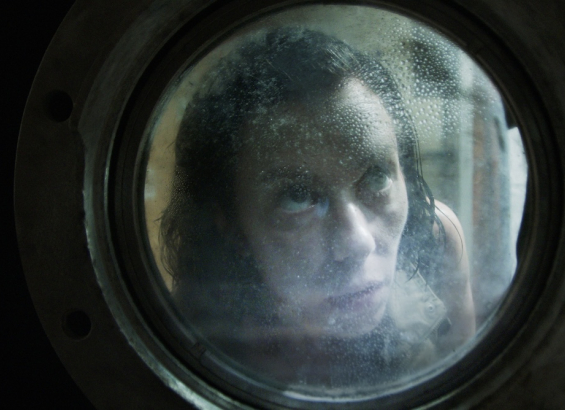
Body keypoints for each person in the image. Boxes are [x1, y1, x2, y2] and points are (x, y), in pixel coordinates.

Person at [159, 27, 474, 389]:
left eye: (376, 177)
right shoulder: (195, 324)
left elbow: (467, 387)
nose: (357, 242)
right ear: (229, 224)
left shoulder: (437, 236)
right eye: (296, 196)